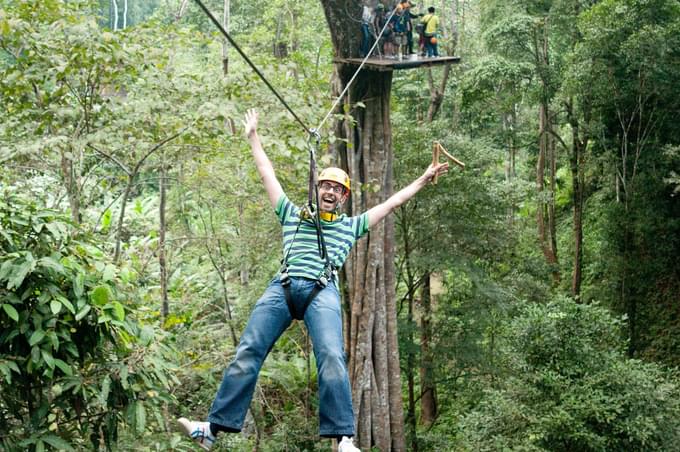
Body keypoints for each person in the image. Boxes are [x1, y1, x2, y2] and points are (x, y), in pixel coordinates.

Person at [177, 109, 449, 451]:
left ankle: (344, 438)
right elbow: (267, 174)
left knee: (333, 356)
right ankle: (211, 430)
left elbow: (393, 202)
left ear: (344, 197)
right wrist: (253, 137)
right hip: (283, 288)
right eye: (326, 186)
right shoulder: (291, 214)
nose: (330, 192)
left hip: (322, 292)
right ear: (316, 188)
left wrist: (424, 178)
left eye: (337, 188)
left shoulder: (351, 226)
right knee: (248, 350)